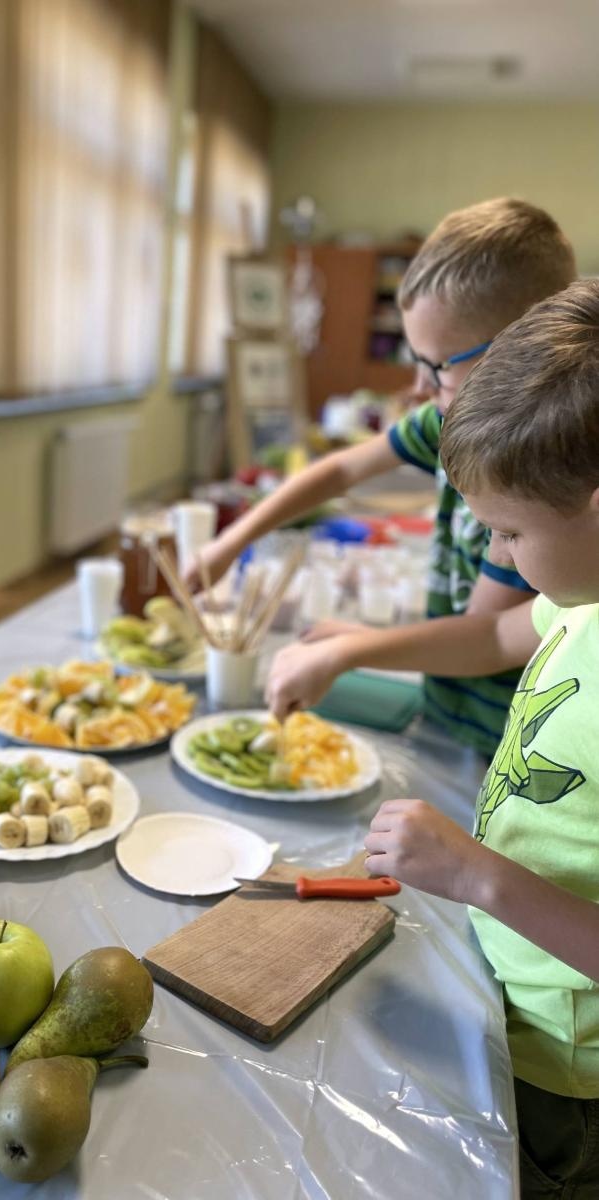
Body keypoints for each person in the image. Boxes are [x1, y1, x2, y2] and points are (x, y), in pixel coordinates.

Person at [186, 198, 576, 755]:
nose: (417, 386)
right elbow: (342, 467)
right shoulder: (445, 416)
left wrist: (359, 648)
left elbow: (486, 635)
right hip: (448, 706)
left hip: (504, 738)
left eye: (436, 365)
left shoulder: (533, 478)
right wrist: (231, 541)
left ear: (514, 350)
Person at [363, 280, 599, 1197]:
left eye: (508, 530)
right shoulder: (579, 598)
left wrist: (476, 875)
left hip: (566, 1078)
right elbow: (507, 629)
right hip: (514, 992)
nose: (495, 556)